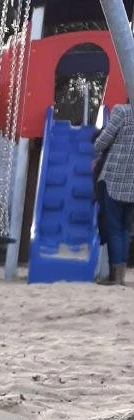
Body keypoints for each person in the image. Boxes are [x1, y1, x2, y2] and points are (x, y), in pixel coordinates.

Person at [94, 99, 134, 286]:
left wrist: (94, 148)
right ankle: (121, 275)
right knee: (125, 229)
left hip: (116, 180)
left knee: (114, 228)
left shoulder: (122, 111)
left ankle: (114, 276)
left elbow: (104, 140)